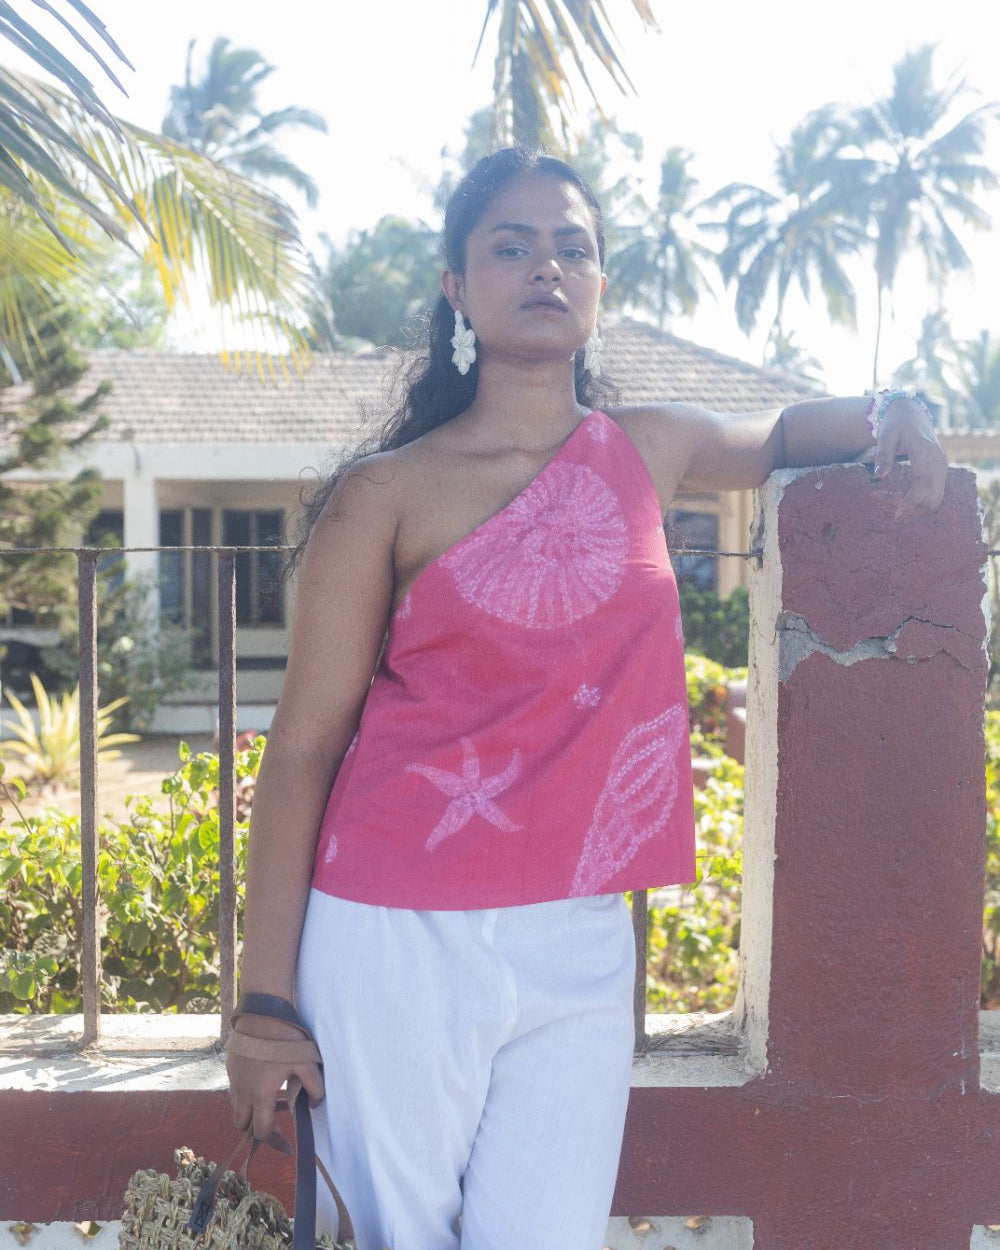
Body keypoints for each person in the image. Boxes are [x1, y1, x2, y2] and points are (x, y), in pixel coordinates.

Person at [225, 148, 948, 1250]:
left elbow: (786, 434)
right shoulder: (388, 493)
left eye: (573, 247)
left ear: (601, 283)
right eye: (511, 246)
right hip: (396, 932)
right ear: (456, 286)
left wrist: (900, 411)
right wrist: (263, 1006)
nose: (546, 266)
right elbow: (305, 745)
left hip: (581, 933)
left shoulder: (652, 448)